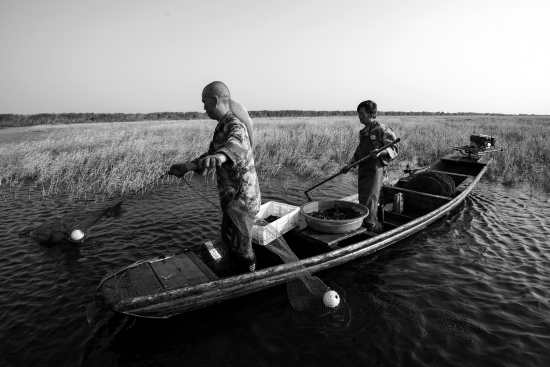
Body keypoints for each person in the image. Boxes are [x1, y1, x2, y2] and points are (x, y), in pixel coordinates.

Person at [168, 81, 261, 273]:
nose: (203, 108)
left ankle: (249, 278)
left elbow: (236, 146)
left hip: (243, 202)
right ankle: (235, 271)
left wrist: (219, 157)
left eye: (205, 102)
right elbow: (209, 155)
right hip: (231, 201)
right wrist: (186, 167)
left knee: (243, 247)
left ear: (215, 100)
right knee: (228, 236)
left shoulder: (236, 126)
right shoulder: (222, 126)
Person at [341, 100, 398, 233]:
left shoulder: (382, 130)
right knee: (364, 197)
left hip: (376, 171)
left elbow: (394, 149)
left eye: (361, 113)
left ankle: (372, 226)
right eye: (358, 114)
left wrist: (380, 152)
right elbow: (359, 151)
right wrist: (349, 165)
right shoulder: (364, 132)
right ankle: (368, 222)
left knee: (372, 198)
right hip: (364, 170)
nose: (359, 116)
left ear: (371, 113)